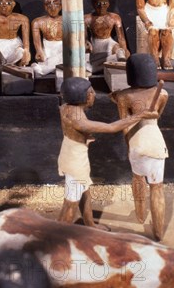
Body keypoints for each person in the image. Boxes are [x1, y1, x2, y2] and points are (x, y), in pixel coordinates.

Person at [58, 77, 156, 229]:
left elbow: (73, 129)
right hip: (74, 161)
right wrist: (140, 115)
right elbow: (111, 128)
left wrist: (82, 137)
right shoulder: (78, 119)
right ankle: (55, 240)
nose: (94, 94)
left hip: (72, 152)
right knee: (71, 203)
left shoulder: (66, 107)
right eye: (91, 92)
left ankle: (90, 225)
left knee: (84, 191)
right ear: (84, 96)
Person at [110, 54, 169, 241]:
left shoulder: (124, 96)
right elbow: (157, 116)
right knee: (157, 188)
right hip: (157, 142)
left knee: (137, 179)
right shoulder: (163, 94)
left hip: (137, 142)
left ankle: (141, 215)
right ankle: (158, 233)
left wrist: (129, 145)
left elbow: (124, 124)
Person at [84, 0, 129, 73]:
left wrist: (124, 50)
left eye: (104, 3)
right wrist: (86, 42)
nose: (101, 6)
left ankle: (117, 61)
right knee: (85, 52)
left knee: (119, 50)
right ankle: (94, 68)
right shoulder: (87, 18)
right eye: (98, 3)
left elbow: (121, 38)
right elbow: (83, 37)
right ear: (94, 5)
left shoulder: (114, 17)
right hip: (95, 43)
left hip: (108, 41)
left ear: (108, 4)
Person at [0, 0, 30, 68]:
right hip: (0, 44)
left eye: (8, 3)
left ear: (13, 4)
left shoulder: (22, 19)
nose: (4, 5)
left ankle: (11, 66)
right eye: (0, 2)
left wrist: (27, 51)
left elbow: (26, 39)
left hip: (15, 43)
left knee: (21, 54)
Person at [31, 0, 63, 76]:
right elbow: (36, 40)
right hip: (48, 47)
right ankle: (52, 67)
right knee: (43, 65)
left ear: (61, 7)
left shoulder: (67, 19)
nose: (53, 8)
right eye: (49, 6)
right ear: (45, 7)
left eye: (56, 5)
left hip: (63, 47)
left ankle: (49, 68)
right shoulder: (37, 21)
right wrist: (39, 51)